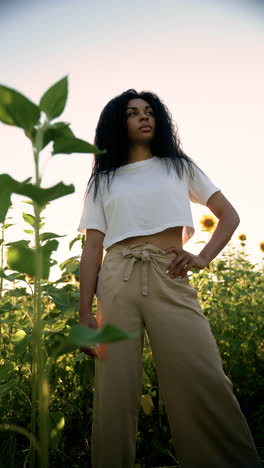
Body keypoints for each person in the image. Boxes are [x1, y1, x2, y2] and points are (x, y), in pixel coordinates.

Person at [78, 89, 262, 468]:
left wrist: (202, 257)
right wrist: (85, 315)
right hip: (117, 280)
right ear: (118, 123)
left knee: (203, 377)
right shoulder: (102, 181)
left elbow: (228, 215)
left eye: (149, 112)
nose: (144, 117)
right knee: (114, 392)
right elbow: (92, 249)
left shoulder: (179, 166)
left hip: (170, 273)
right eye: (133, 113)